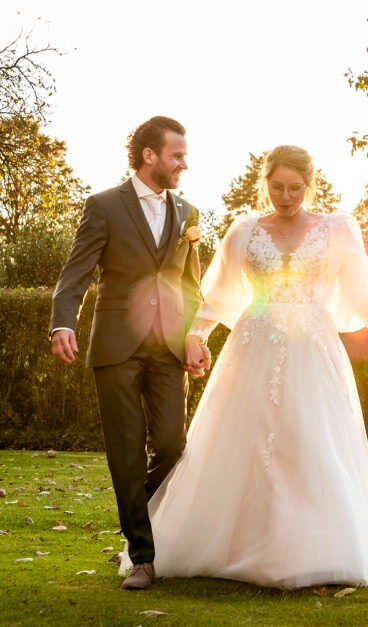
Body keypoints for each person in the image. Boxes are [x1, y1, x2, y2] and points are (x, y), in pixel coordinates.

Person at [118, 145, 368, 589]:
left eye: (295, 188)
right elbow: (217, 295)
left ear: (308, 186)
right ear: (266, 182)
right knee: (250, 443)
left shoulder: (335, 229)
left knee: (311, 443)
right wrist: (196, 333)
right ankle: (240, 546)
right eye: (277, 187)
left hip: (313, 350)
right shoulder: (244, 231)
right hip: (253, 348)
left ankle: (313, 550)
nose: (286, 196)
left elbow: (361, 293)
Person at [49, 116, 210, 590]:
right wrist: (63, 322)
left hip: (167, 347)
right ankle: (142, 555)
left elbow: (191, 286)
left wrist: (192, 335)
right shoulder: (103, 206)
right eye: (177, 154)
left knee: (171, 444)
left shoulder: (189, 213)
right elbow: (75, 273)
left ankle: (133, 503)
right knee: (125, 452)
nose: (184, 162)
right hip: (117, 346)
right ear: (149, 156)